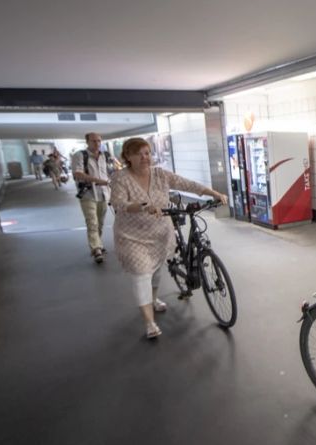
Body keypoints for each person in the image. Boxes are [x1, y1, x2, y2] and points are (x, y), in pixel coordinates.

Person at [110, 137, 228, 340]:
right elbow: (118, 203)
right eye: (139, 154)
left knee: (155, 271)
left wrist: (213, 192)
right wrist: (143, 206)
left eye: (147, 152)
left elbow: (186, 184)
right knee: (141, 274)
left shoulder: (160, 174)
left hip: (160, 232)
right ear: (128, 156)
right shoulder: (120, 178)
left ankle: (153, 300)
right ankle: (149, 322)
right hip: (132, 236)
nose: (145, 157)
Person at [71, 133, 118, 264]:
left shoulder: (105, 155)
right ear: (87, 142)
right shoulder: (80, 155)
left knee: (100, 222)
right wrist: (97, 180)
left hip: (104, 193)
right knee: (92, 222)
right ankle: (96, 249)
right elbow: (77, 173)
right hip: (88, 194)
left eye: (99, 141)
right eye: (93, 141)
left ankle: (98, 243)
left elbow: (111, 171)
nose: (97, 143)